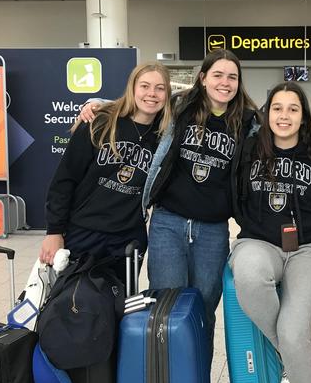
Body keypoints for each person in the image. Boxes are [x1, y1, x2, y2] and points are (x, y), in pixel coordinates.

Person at [80, 49, 257, 364]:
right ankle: (167, 379)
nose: (225, 82)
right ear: (202, 78)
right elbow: (144, 102)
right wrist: (99, 105)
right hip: (168, 224)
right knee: (165, 308)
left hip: (213, 231)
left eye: (232, 77)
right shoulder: (180, 107)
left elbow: (285, 131)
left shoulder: (248, 121)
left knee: (203, 310)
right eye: (218, 74)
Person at [230, 82, 311, 383]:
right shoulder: (248, 150)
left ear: (303, 115)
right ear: (266, 112)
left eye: (293, 109)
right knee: (247, 275)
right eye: (277, 108)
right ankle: (301, 363)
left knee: (295, 332)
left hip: (309, 249)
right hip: (258, 242)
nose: (285, 115)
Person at [40, 62, 173, 283]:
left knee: (119, 306)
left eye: (160, 88)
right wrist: (54, 231)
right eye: (145, 86)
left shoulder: (165, 136)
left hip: (128, 239)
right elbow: (65, 179)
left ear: (167, 94)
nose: (152, 93)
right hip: (84, 233)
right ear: (132, 88)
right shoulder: (100, 123)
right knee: (75, 305)